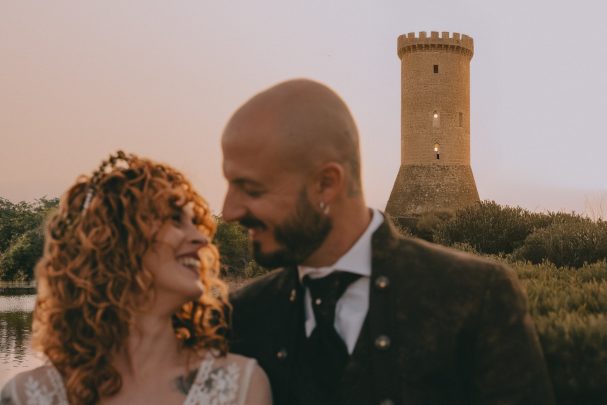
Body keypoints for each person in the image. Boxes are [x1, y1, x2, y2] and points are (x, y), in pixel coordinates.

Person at [222, 79, 555, 405]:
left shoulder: (474, 296)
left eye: (251, 189)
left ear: (327, 184)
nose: (229, 211)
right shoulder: (243, 315)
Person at [0, 151, 272, 405]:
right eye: (175, 219)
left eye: (195, 223)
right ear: (118, 240)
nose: (201, 239)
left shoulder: (240, 385)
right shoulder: (28, 395)